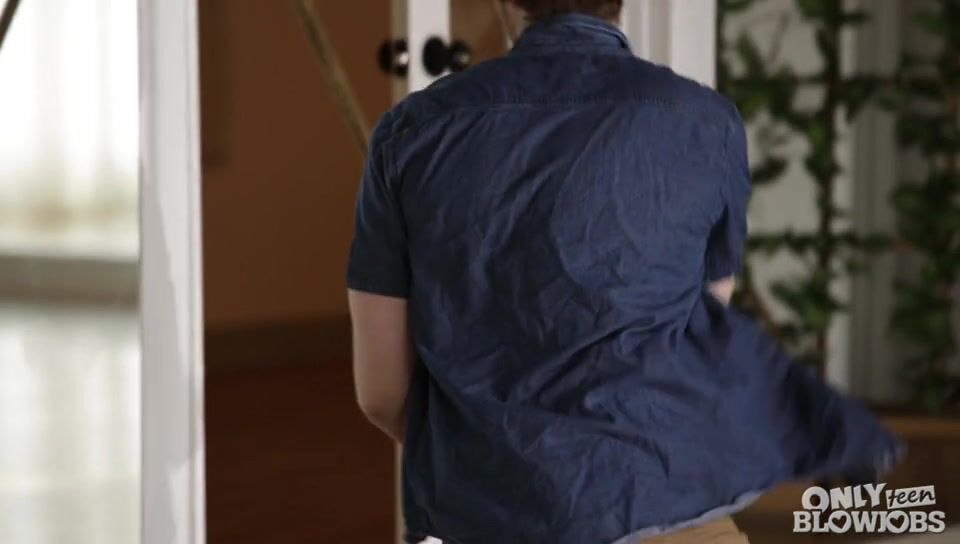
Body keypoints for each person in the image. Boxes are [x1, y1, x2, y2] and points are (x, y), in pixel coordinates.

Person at [346, 1, 902, 542]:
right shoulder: (706, 122)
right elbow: (697, 338)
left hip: (488, 517)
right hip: (672, 509)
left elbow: (382, 393)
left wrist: (499, 470)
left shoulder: (410, 132)